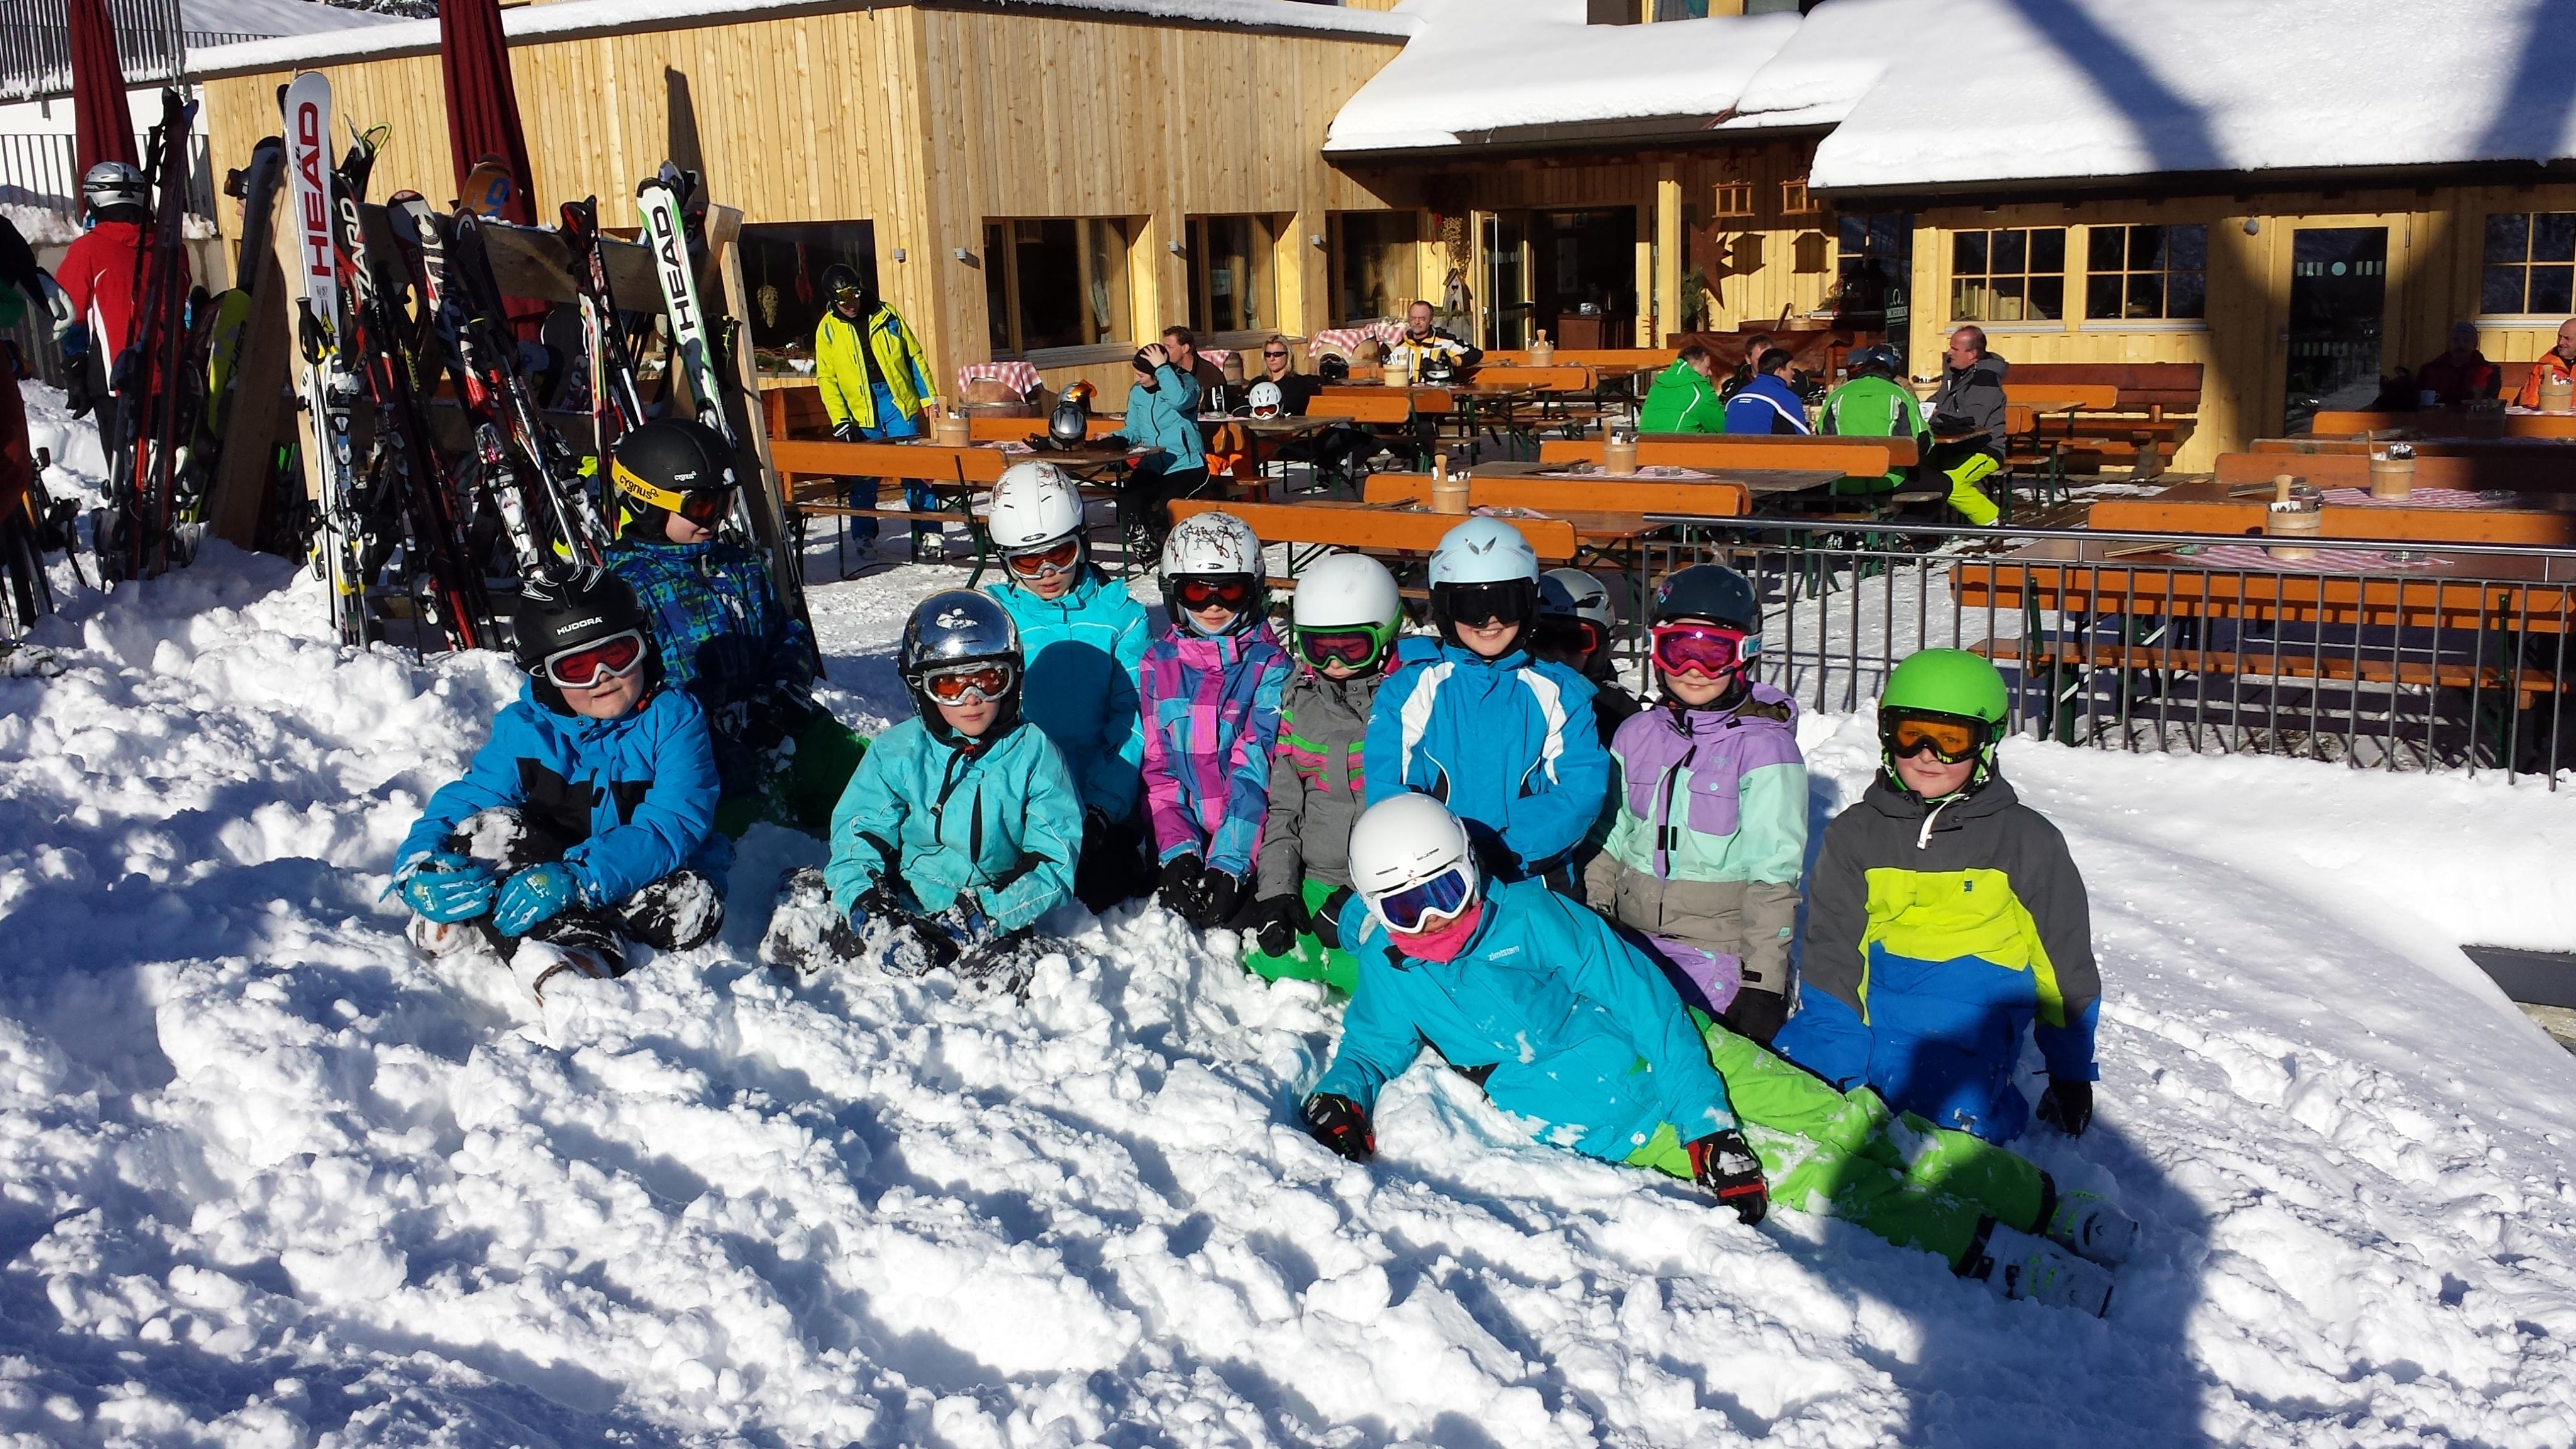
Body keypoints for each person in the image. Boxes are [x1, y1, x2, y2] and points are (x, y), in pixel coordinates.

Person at [1303, 795, 2134, 1317]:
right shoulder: (1392, 968)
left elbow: (1644, 1000)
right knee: (1822, 1177)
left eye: (1445, 892)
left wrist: (1708, 1123)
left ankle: (2038, 1202)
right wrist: (1346, 1094)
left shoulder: (1535, 919)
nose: (1434, 921)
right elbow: (1372, 1043)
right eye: (1406, 909)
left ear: (1471, 871)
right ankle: (1996, 1256)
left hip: (1690, 1052)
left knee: (1851, 1123)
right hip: (1621, 1120)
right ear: (1377, 911)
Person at [1774, 648, 2101, 1146]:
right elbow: (1834, 951)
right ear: (1887, 734)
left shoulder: (2026, 842)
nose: (1928, 754)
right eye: (1912, 734)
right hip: (1868, 1010)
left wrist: (2070, 1071)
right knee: (1791, 1093)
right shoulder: (1855, 835)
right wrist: (1833, 1056)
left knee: (1938, 1120)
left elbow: (2064, 967)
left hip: (1963, 1027)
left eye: (1951, 741)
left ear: (1986, 744)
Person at [389, 568, 724, 1001]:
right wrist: (416, 863)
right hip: (548, 861)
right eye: (577, 667)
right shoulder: (524, 730)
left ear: (644, 646)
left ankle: (519, 929)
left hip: (639, 867)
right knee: (486, 832)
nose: (603, 675)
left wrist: (580, 877)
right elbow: (473, 799)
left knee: (693, 906)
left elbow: (671, 823)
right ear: (546, 677)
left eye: (618, 654)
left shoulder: (674, 719)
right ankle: (548, 942)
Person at [759, 591, 1080, 991]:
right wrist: (873, 911)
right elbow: (860, 834)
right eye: (949, 685)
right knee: (805, 924)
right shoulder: (898, 752)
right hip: (902, 896)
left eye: (988, 680)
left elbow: (1054, 861)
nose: (972, 699)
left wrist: (984, 915)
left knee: (997, 985)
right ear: (921, 690)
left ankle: (984, 958)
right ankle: (846, 924)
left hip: (988, 909)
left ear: (1012, 681)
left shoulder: (1035, 755)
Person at [603, 418, 862, 838]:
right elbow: (630, 697)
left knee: (865, 773)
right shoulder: (624, 591)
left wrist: (782, 689)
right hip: (703, 760)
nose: (715, 520)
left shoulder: (738, 566)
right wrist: (716, 718)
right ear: (646, 503)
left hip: (774, 729)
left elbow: (786, 634)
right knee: (749, 835)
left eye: (724, 505)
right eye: (701, 506)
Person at [1585, 565, 1803, 1045]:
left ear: (1745, 653)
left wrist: (1762, 985)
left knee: (1693, 1049)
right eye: (1679, 649)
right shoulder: (1636, 734)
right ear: (1656, 650)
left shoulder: (1765, 750)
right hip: (1631, 937)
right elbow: (1611, 838)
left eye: (1713, 652)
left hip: (1716, 949)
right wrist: (1595, 919)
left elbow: (1774, 875)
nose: (1693, 670)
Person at [1364, 516, 1608, 887]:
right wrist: (1441, 854)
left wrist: (1507, 850)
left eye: (1506, 604)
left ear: (1528, 605)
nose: (1490, 620)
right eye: (1470, 607)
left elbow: (1579, 790)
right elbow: (1391, 786)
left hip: (1531, 874)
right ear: (1445, 609)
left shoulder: (1559, 692)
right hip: (1438, 879)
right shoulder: (1412, 690)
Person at [981, 460, 1153, 912]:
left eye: (1061, 554)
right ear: (1005, 561)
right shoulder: (997, 621)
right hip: (1022, 799)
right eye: (1027, 561)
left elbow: (1134, 718)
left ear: (1083, 542)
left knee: (1098, 888)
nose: (1046, 573)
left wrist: (1102, 805)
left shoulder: (1121, 617)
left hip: (1103, 801)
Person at [1245, 551, 1404, 992]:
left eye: (1351, 647)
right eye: (1319, 647)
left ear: (1384, 636)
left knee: (1368, 978)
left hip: (1381, 888)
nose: (1333, 660)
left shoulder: (1404, 707)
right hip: (1314, 878)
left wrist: (1362, 892)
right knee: (1276, 960)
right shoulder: (1301, 703)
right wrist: (1278, 891)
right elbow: (1284, 807)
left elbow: (1412, 815)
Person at [1141, 510, 1291, 931]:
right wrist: (1178, 851)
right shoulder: (1159, 664)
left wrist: (1230, 861)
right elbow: (1159, 769)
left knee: (1239, 924)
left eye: (1230, 591)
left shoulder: (1270, 668)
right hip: (1188, 836)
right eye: (1196, 591)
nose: (1213, 606)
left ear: (1252, 591)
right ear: (1174, 593)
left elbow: (1255, 771)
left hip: (1250, 840)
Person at [813, 263, 936, 547]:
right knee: (864, 476)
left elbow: (913, 356)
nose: (850, 304)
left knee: (917, 469)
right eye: (842, 299)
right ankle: (864, 536)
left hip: (897, 401)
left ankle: (929, 532)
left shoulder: (886, 314)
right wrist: (840, 419)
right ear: (832, 299)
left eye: (854, 294)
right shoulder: (828, 330)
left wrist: (928, 397)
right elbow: (827, 379)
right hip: (861, 410)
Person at [55, 162, 175, 425]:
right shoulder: (171, 248)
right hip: (171, 376)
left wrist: (75, 366)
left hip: (115, 380)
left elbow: (69, 314)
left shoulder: (88, 250)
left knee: (122, 452)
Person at [1102, 342, 1207, 566]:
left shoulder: (1187, 383)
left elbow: (1180, 401)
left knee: (1168, 504)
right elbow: (1133, 430)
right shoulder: (1137, 393)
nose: (1137, 378)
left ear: (1158, 372)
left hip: (1186, 465)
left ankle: (1180, 555)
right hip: (1152, 465)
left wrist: (1162, 369)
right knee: (1127, 500)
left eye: (1142, 374)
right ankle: (1151, 556)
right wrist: (1113, 438)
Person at [1532, 568, 1640, 744]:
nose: (1558, 653)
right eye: (1544, 638)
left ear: (1600, 647)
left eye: (1577, 640)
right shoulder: (1508, 698)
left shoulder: (1617, 712)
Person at [1922, 326, 2007, 526]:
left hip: (1984, 449)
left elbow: (1974, 420)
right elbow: (1938, 399)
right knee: (1914, 473)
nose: (1949, 353)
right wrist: (1924, 408)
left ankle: (1992, 523)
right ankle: (1917, 528)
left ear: (1972, 354)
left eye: (1955, 349)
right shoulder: (1954, 373)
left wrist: (1938, 415)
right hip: (1950, 447)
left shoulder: (1985, 379)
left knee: (1952, 483)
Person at [1819, 342, 1925, 497]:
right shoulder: (1900, 394)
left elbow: (1821, 434)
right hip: (1887, 480)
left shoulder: (1838, 394)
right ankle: (1904, 514)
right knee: (1943, 484)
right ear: (1894, 368)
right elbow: (1922, 440)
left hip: (1843, 480)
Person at [1724, 348, 1813, 436]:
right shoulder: (1787, 398)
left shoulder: (1739, 395)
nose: (1793, 373)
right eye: (1791, 368)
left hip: (1730, 445)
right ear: (1779, 372)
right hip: (1765, 445)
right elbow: (1803, 438)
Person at [1638, 344, 1724, 434]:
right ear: (1695, 366)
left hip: (1644, 441)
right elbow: (1722, 428)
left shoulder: (1657, 386)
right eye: (1707, 367)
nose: (1710, 373)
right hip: (1677, 442)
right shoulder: (1701, 393)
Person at [1391, 299, 1482, 379]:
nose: (1417, 322)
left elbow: (1475, 353)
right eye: (1413, 318)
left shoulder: (1446, 342)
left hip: (1438, 392)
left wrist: (1455, 361)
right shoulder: (1401, 347)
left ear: (1431, 320)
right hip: (1406, 392)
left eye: (1422, 319)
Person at [2418, 321, 2501, 407]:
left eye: (2466, 341)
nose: (2461, 345)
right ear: (2449, 344)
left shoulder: (2489, 372)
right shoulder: (2430, 370)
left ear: (2474, 345)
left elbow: (2488, 401)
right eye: (2456, 340)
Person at [2512, 318, 2576, 409]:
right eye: (2559, 337)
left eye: (2567, 338)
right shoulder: (2544, 367)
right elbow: (2529, 404)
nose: (2561, 342)